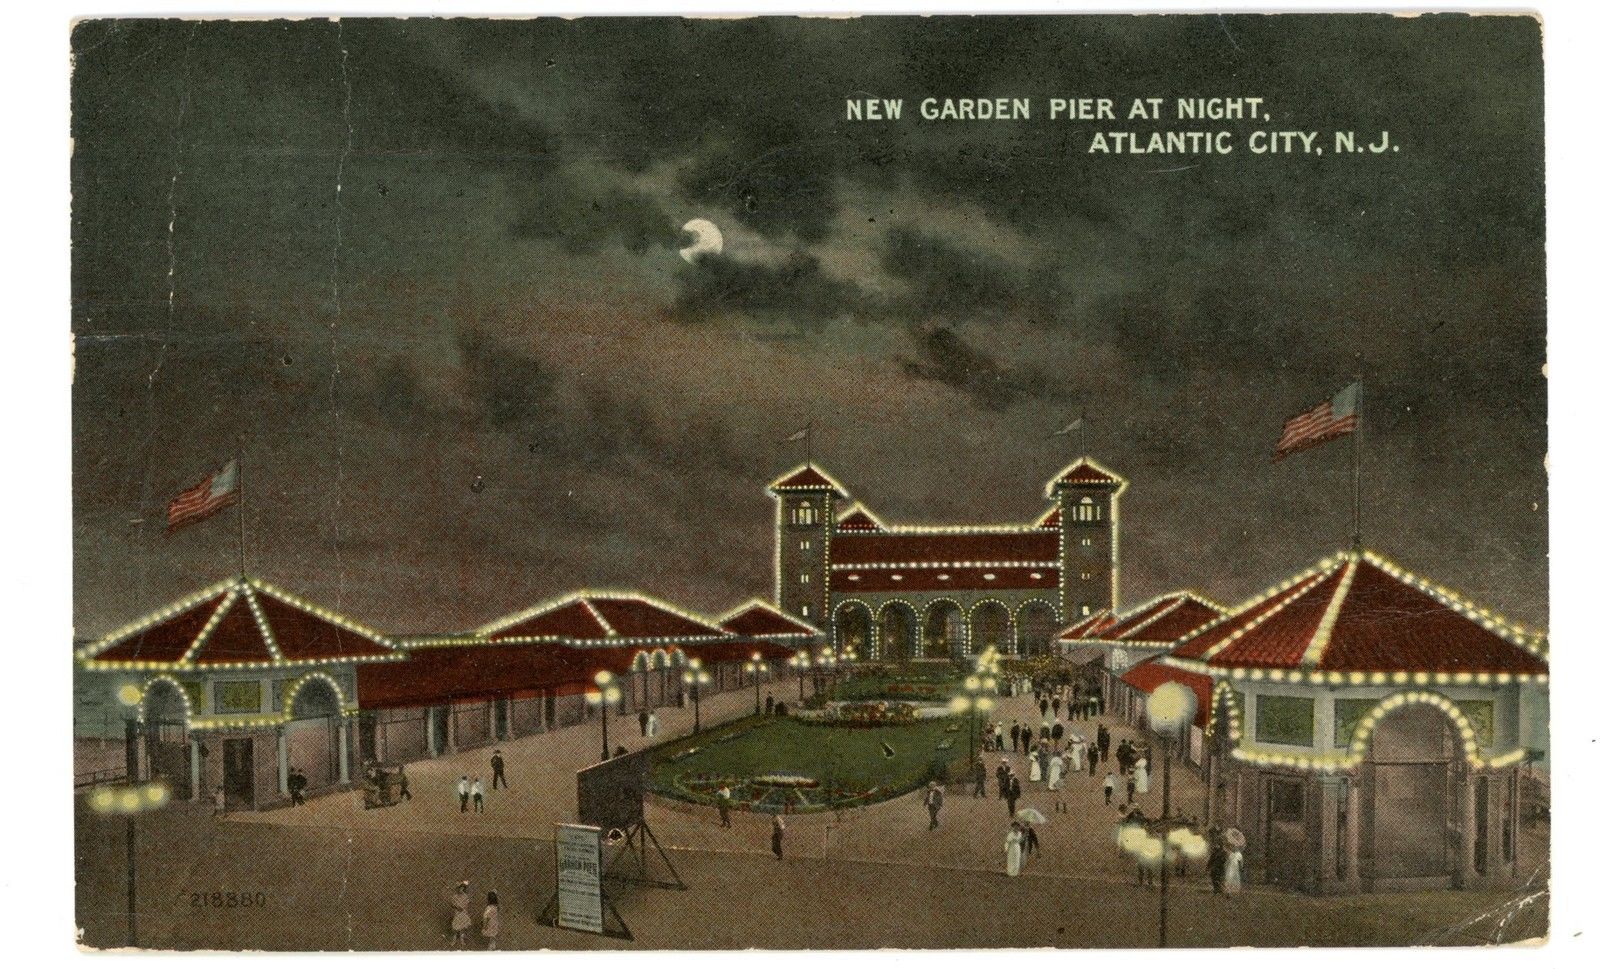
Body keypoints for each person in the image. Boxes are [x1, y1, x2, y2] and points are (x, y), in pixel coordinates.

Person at [449, 881, 471, 948]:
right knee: (455, 927)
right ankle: (454, 940)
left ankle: (462, 940)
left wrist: (464, 909)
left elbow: (467, 905)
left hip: (463, 913)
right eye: (459, 888)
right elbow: (452, 904)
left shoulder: (465, 896)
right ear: (458, 889)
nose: (460, 890)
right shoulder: (455, 896)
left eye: (462, 888)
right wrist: (457, 907)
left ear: (464, 889)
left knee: (462, 927)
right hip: (457, 913)